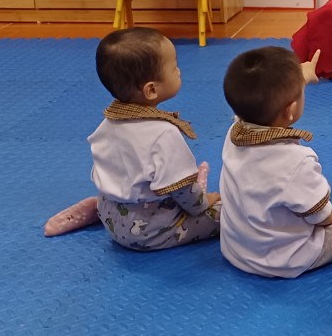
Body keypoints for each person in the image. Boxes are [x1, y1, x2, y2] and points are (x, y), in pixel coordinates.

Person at [218, 47, 332, 278]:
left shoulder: (235, 132)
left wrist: (302, 76)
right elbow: (320, 217)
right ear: (291, 110)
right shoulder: (296, 160)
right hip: (284, 258)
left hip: (236, 248)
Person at [73, 27, 221, 250]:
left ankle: (96, 210)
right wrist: (206, 201)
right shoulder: (163, 134)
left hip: (111, 216)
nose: (179, 71)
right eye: (174, 67)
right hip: (149, 231)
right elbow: (182, 189)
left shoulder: (107, 124)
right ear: (151, 90)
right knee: (229, 212)